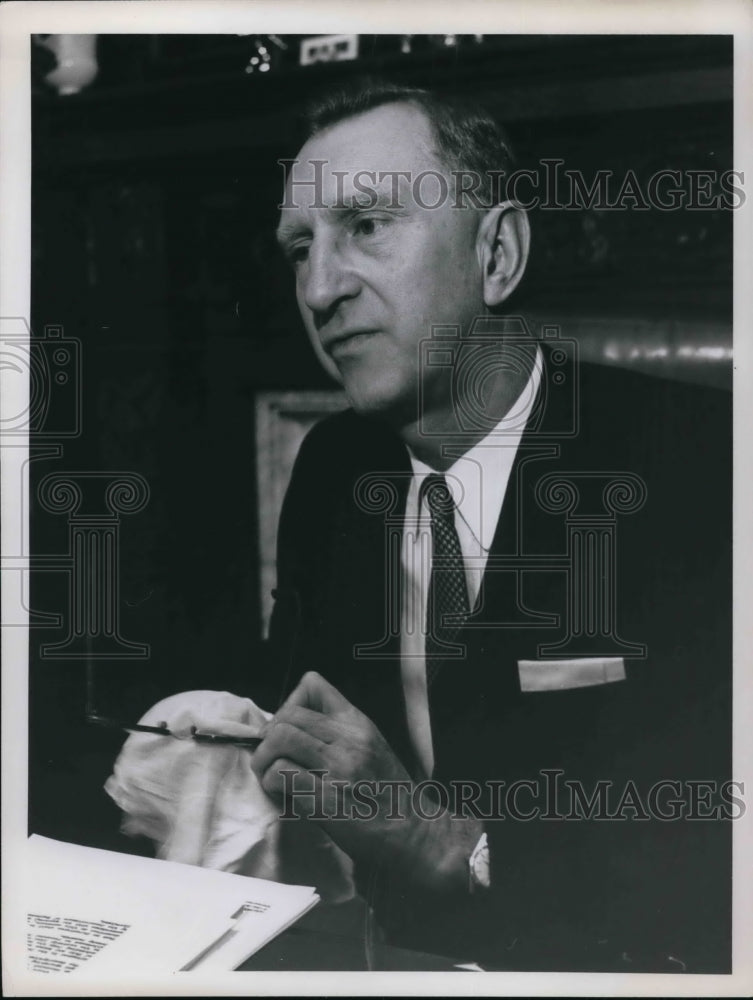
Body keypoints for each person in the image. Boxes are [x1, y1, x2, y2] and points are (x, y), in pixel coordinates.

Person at [248, 81, 732, 971]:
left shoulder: (705, 467)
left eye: (366, 225)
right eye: (298, 248)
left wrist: (446, 844)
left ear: (496, 253)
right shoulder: (329, 468)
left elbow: (716, 854)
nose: (318, 289)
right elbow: (302, 716)